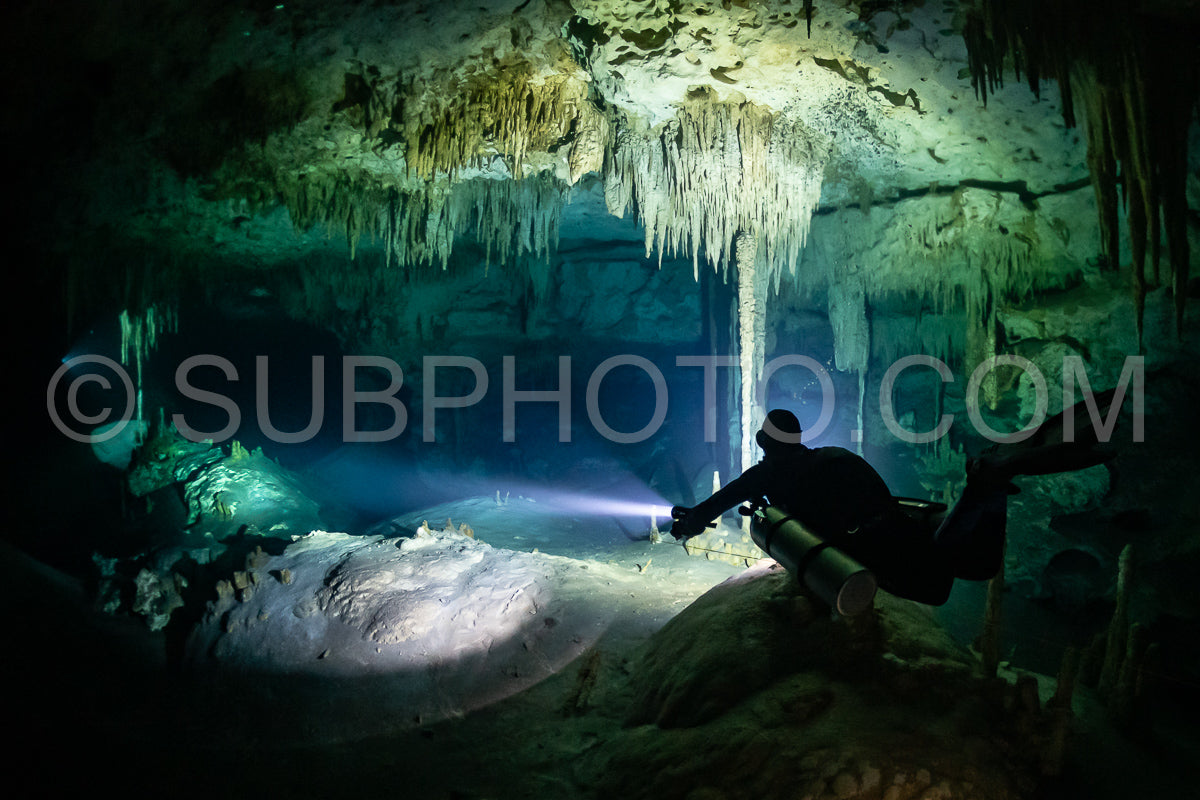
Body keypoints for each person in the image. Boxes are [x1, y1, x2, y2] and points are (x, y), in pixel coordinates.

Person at [670, 404, 1116, 606]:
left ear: (766, 443)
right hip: (898, 519)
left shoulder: (767, 473)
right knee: (974, 566)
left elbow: (715, 504)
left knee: (935, 573)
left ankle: (985, 484)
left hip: (870, 541)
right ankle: (989, 492)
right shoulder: (834, 455)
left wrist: (687, 523)